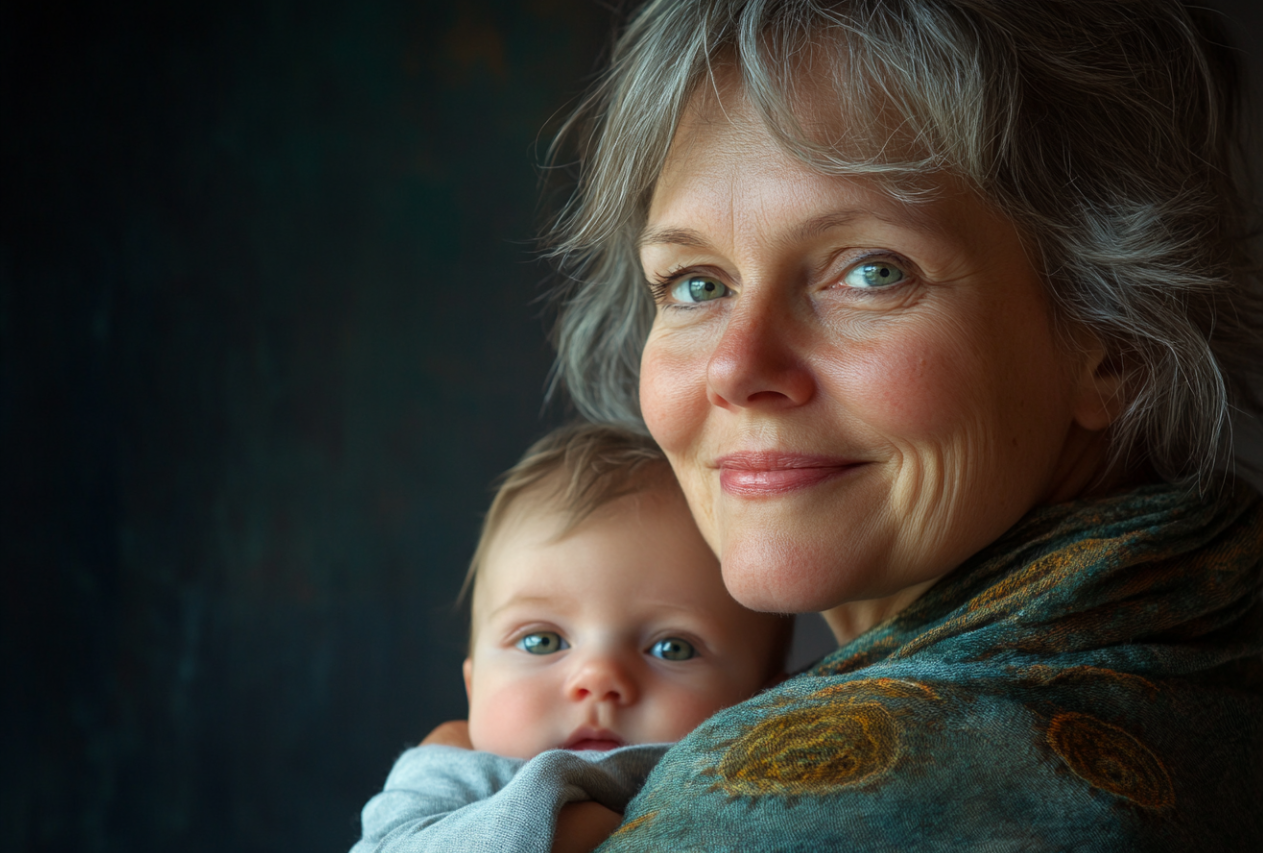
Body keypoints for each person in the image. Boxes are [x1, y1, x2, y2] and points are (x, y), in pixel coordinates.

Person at [532, 0, 1262, 849]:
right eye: (697, 283)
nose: (737, 368)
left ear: (1116, 339)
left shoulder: (783, 812)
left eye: (872, 271)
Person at [350, 423, 792, 853]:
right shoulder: (459, 776)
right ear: (473, 686)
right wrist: (566, 830)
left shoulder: (773, 797)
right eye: (541, 641)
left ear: (769, 703)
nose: (598, 679)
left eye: (672, 649)